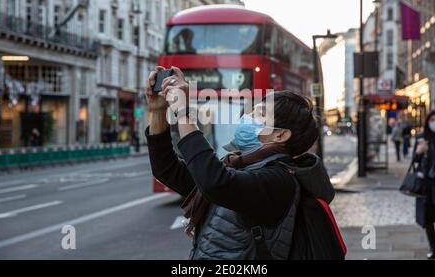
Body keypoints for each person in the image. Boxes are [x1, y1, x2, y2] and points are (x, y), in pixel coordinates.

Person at [145, 66, 342, 260]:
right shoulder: (238, 165)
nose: (246, 117)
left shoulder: (279, 181)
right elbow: (167, 170)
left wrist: (183, 112)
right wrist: (157, 112)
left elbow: (215, 182)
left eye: (260, 114)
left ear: (280, 134)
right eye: (252, 111)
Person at [414, 110, 435, 259]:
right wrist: (419, 152)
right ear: (428, 122)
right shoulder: (422, 138)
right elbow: (415, 162)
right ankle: (432, 248)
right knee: (427, 218)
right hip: (425, 185)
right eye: (432, 119)